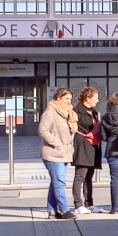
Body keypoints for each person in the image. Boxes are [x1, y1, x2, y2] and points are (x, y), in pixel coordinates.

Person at [37, 88, 78, 219]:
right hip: (53, 153)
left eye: (70, 99)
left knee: (56, 181)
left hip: (64, 153)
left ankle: (52, 210)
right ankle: (65, 209)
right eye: (66, 98)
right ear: (58, 98)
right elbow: (43, 130)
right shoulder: (51, 112)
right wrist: (57, 144)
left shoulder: (69, 113)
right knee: (59, 181)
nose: (69, 101)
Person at [70, 88, 104, 214]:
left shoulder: (94, 112)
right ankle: (78, 204)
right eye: (95, 97)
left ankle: (89, 203)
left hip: (93, 145)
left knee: (89, 177)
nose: (97, 100)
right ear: (88, 98)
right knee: (80, 176)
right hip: (82, 145)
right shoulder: (76, 111)